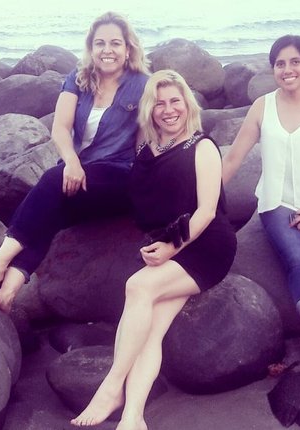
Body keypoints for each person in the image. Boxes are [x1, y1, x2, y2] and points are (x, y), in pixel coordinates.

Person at [71, 70, 237, 428]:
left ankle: (112, 387)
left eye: (175, 101)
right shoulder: (146, 149)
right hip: (168, 244)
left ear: (188, 104)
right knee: (151, 330)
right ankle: (133, 416)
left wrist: (170, 249)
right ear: (150, 109)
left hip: (206, 246)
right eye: (159, 103)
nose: (168, 109)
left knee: (138, 286)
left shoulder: (202, 147)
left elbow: (208, 212)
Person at [0, 11, 149, 312]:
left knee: (51, 179)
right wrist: (72, 163)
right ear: (91, 47)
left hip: (119, 176)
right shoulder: (78, 79)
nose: (108, 50)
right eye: (100, 43)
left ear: (128, 48)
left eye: (116, 43)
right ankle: (8, 292)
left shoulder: (143, 85)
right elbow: (60, 128)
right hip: (83, 172)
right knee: (51, 212)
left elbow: (148, 140)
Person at [222, 35, 300, 358]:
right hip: (278, 201)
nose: (287, 69)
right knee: (299, 260)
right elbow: (233, 158)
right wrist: (204, 197)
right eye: (280, 64)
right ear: (273, 69)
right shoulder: (262, 106)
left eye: (295, 62)